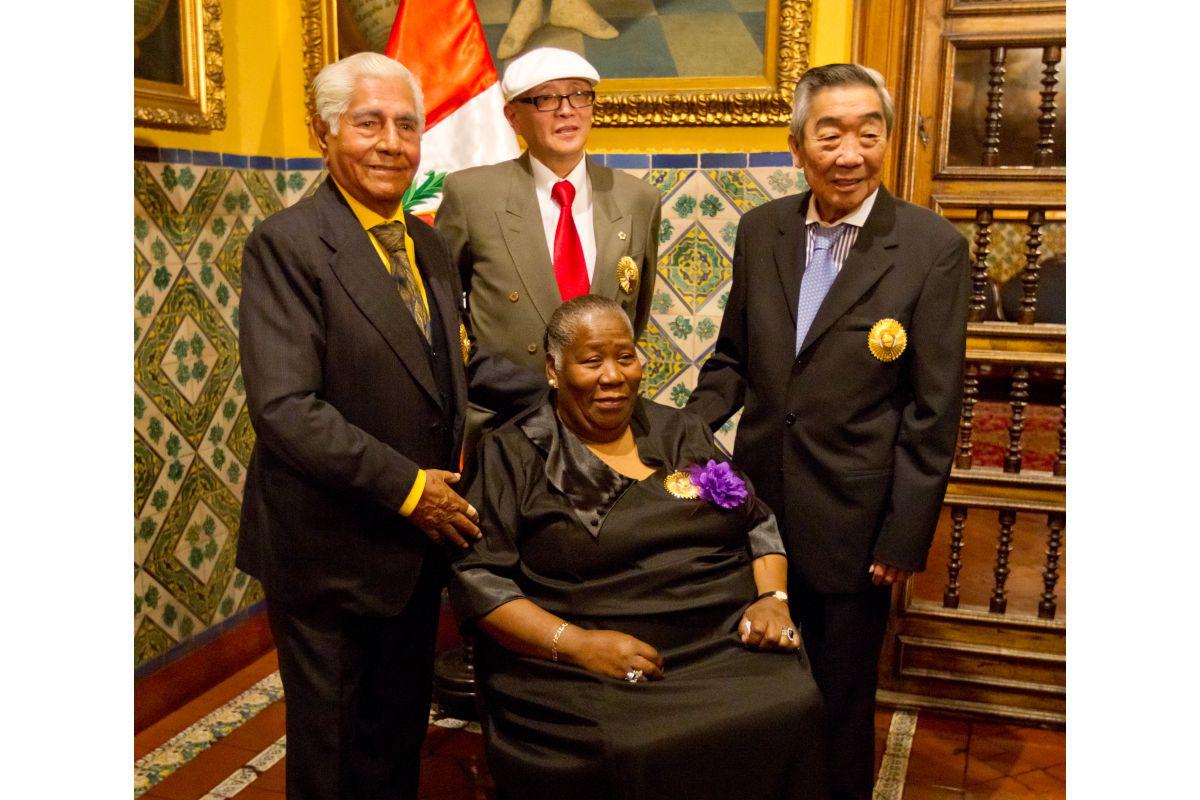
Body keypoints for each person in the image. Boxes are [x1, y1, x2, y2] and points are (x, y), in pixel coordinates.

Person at [687, 63, 970, 800]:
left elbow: (933, 410)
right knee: (759, 687)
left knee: (840, 700)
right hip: (757, 513)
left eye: (867, 133)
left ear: (885, 140)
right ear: (797, 145)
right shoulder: (761, 230)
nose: (850, 152)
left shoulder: (930, 247)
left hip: (855, 522)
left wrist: (904, 535)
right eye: (831, 133)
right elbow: (733, 360)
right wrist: (680, 431)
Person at [449, 296, 828, 800]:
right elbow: (479, 580)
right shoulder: (512, 451)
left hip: (718, 641)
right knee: (635, 745)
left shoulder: (679, 430)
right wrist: (578, 644)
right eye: (591, 361)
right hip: (588, 662)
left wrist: (772, 600)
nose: (613, 376)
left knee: (794, 702)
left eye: (625, 357)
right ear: (553, 370)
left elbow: (757, 522)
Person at [235, 52, 481, 800]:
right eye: (368, 123)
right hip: (331, 553)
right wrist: (411, 489)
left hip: (411, 555)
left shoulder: (427, 243)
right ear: (324, 132)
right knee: (334, 754)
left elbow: (449, 368)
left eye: (407, 125)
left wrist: (572, 385)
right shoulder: (288, 243)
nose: (391, 142)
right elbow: (286, 409)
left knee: (395, 738)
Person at [436, 46, 661, 447]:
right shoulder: (472, 195)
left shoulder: (636, 199)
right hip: (504, 424)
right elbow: (442, 309)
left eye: (579, 94)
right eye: (546, 98)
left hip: (603, 422)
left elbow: (633, 315)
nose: (566, 110)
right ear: (513, 117)